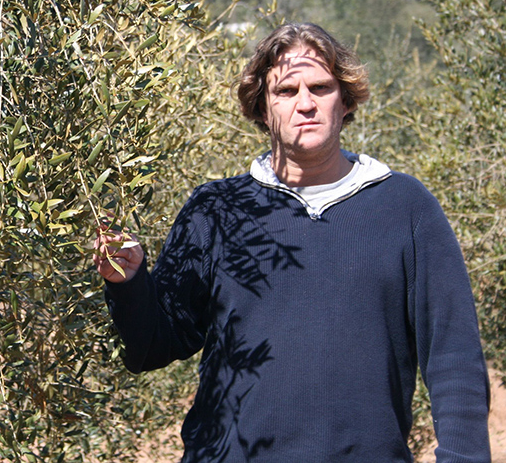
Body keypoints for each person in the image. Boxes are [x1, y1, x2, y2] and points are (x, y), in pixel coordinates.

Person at [94, 23, 491, 462]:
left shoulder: (405, 207)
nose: (306, 104)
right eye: (286, 91)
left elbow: (454, 357)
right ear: (263, 109)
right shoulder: (216, 210)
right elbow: (152, 345)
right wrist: (129, 284)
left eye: (320, 87)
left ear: (345, 102)